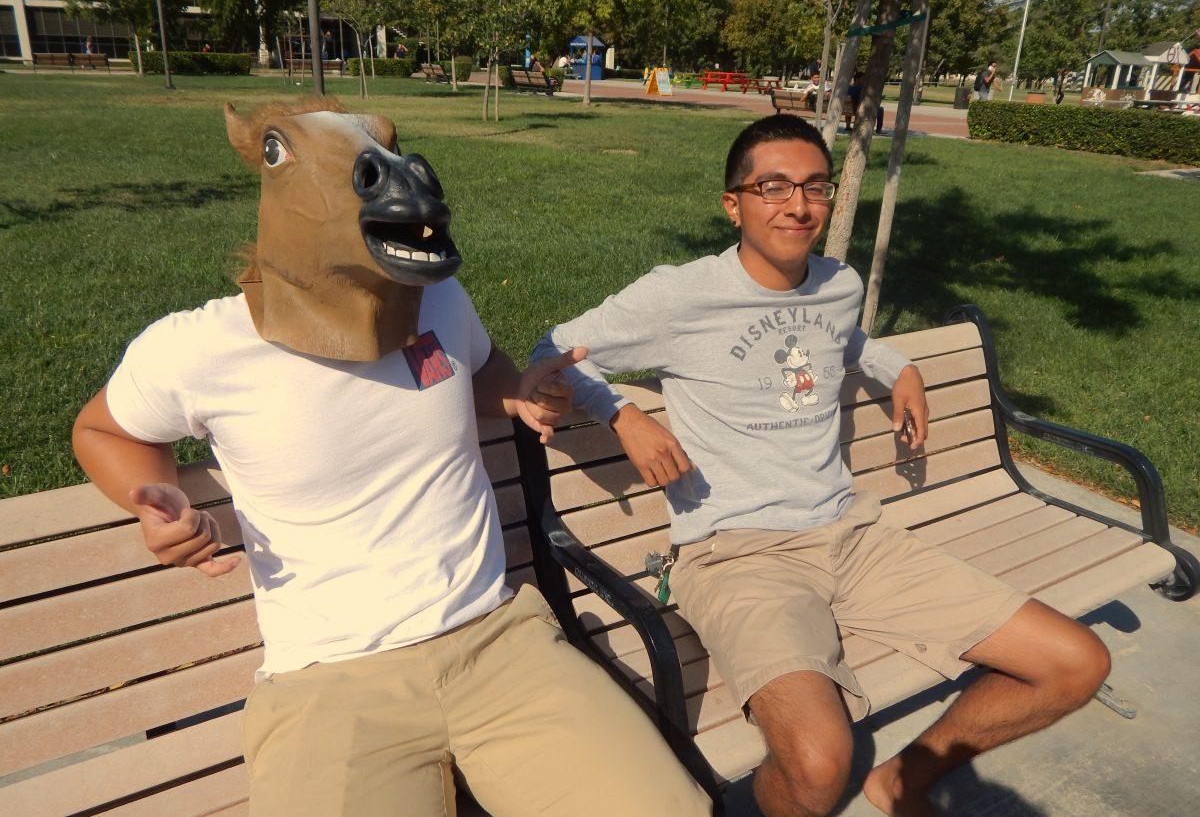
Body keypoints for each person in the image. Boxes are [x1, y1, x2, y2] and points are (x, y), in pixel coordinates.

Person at [72, 99, 713, 817]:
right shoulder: (199, 348)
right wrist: (154, 502)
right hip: (329, 681)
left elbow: (478, 368)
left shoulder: (434, 299)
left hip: (495, 641)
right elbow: (104, 431)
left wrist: (519, 396)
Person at [532, 113, 1111, 817]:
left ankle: (903, 782)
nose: (797, 205)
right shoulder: (681, 295)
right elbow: (554, 348)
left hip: (852, 534)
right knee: (815, 766)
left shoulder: (835, 283)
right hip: (736, 554)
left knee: (1076, 663)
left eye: (814, 187)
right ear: (733, 203)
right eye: (772, 187)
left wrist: (900, 369)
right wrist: (623, 416)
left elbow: (849, 335)